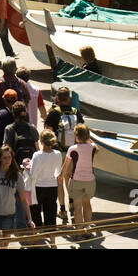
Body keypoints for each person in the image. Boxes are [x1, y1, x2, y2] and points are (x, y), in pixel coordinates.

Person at [46, 84, 84, 224]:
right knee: (69, 178)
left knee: (59, 179)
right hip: (73, 151)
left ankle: (62, 209)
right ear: (68, 99)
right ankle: (72, 204)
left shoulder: (54, 113)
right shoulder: (75, 111)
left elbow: (48, 132)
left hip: (58, 151)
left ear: (57, 98)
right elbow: (82, 131)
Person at [60, 123, 99, 240]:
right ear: (87, 135)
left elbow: (66, 165)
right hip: (90, 180)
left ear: (76, 136)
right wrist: (88, 139)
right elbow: (97, 148)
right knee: (87, 204)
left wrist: (61, 177)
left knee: (77, 207)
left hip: (77, 180)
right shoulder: (92, 148)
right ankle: (87, 230)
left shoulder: (73, 149)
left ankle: (78, 231)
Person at [31, 131, 63, 243]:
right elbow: (58, 172)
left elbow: (33, 174)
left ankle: (35, 238)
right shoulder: (58, 154)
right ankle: (53, 241)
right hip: (52, 186)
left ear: (41, 141)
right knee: (51, 214)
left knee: (35, 212)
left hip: (38, 187)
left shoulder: (37, 155)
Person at [0, 58, 27, 125]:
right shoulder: (22, 84)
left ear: (2, 68)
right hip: (19, 121)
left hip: (1, 120)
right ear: (15, 69)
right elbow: (27, 103)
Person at [3, 100, 39, 168]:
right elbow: (37, 148)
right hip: (30, 164)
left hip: (15, 164)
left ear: (13, 113)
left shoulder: (9, 128)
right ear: (25, 113)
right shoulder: (32, 127)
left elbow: (7, 148)